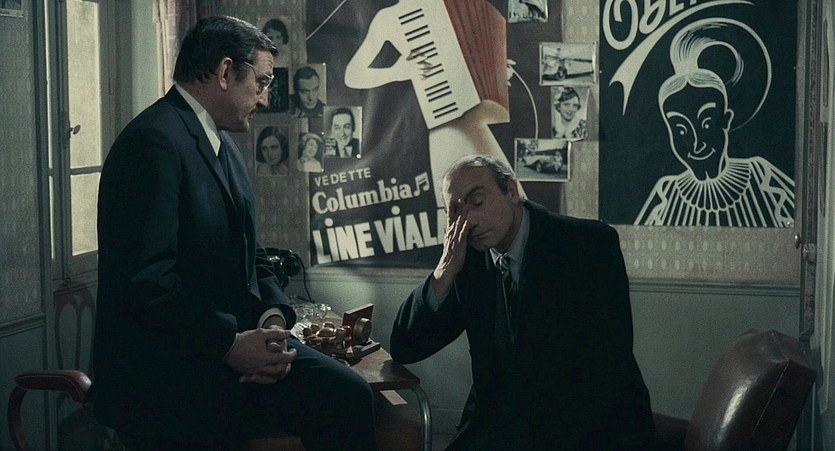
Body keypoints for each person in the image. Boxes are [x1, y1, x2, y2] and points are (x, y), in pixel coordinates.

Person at [93, 16, 375, 450]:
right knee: (342, 400)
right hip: (170, 371)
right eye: (261, 82)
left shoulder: (222, 145)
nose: (265, 98)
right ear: (225, 72)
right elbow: (145, 283)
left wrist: (273, 320)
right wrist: (229, 345)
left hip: (225, 348)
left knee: (350, 393)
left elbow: (253, 253)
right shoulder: (152, 142)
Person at [390, 155, 655, 450]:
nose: (469, 221)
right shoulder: (468, 260)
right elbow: (406, 347)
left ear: (512, 191)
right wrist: (444, 271)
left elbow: (607, 363)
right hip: (497, 427)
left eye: (477, 202)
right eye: (455, 211)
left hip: (588, 425)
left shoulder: (588, 245)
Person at [634, 21, 794, 227]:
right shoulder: (666, 193)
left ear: (725, 120)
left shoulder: (760, 174)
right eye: (681, 131)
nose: (696, 144)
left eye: (707, 124)